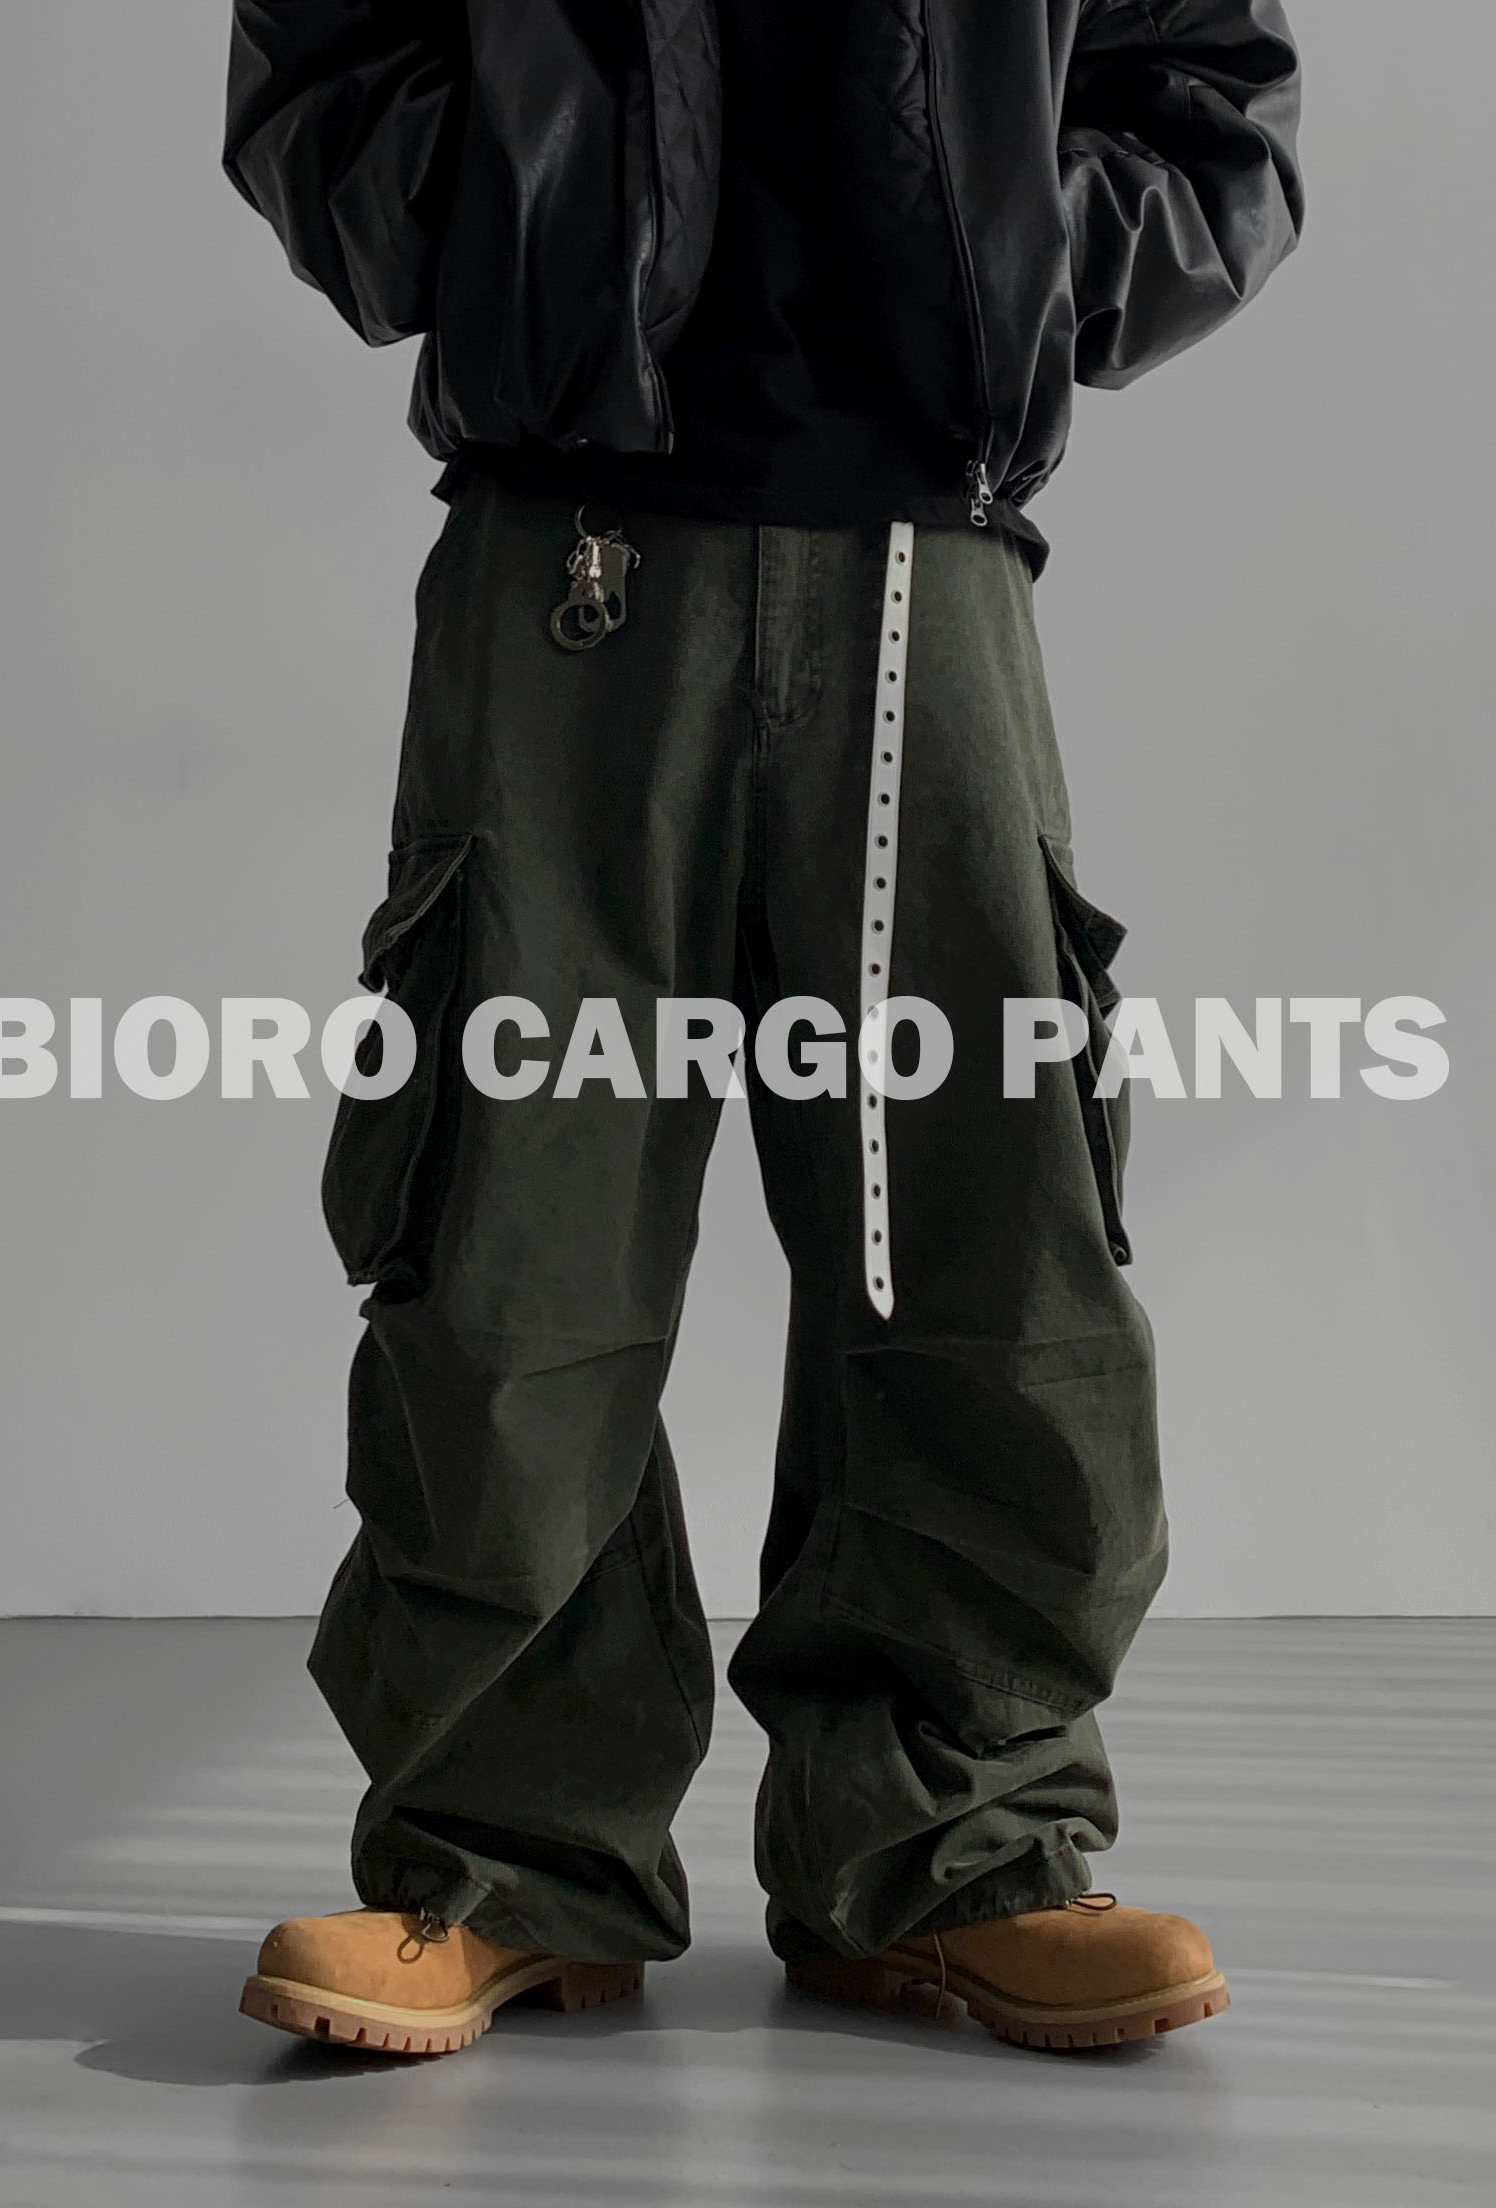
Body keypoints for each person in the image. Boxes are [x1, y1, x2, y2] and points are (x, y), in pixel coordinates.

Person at [221, 0, 1303, 2058]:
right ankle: (500, 1858)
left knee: (987, 1230)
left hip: (928, 569)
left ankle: (958, 1848)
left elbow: (1217, 105)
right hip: (566, 551)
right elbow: (319, 75)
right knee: (512, 1234)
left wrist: (1015, 263)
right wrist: (515, 240)